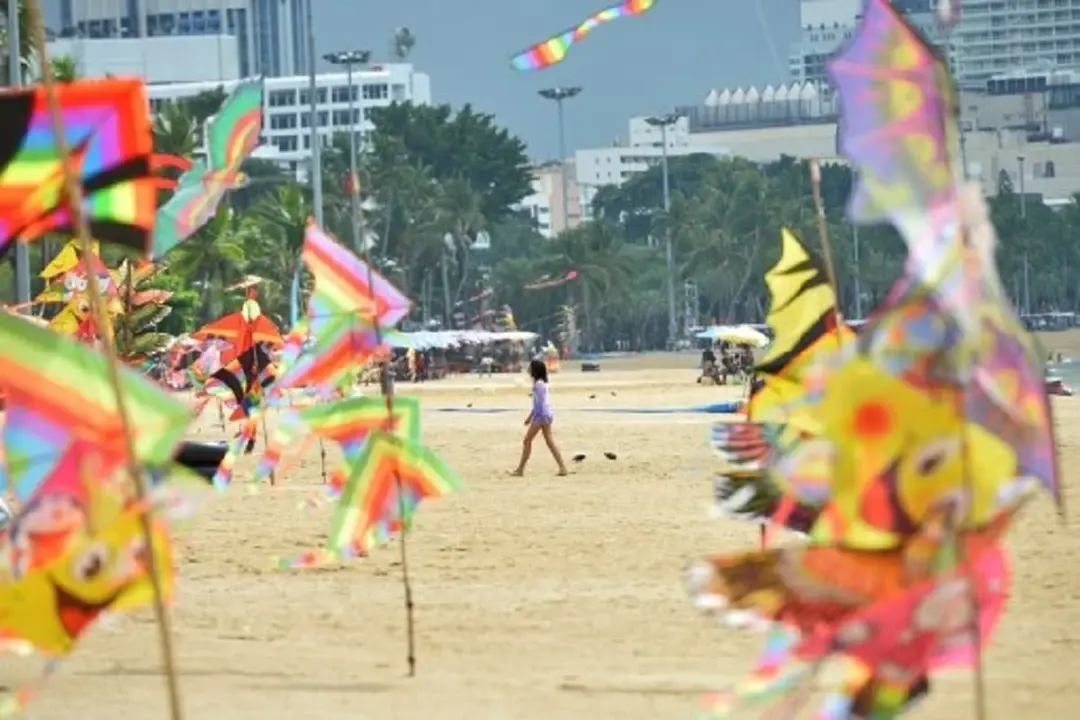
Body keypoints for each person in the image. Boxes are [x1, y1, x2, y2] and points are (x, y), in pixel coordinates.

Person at [510, 359, 569, 477]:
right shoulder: (540, 383)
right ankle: (562, 467)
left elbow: (540, 404)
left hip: (541, 415)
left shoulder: (539, 384)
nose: (529, 369)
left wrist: (534, 418)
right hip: (545, 414)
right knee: (549, 442)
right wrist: (529, 417)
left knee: (527, 441)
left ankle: (520, 469)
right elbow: (538, 403)